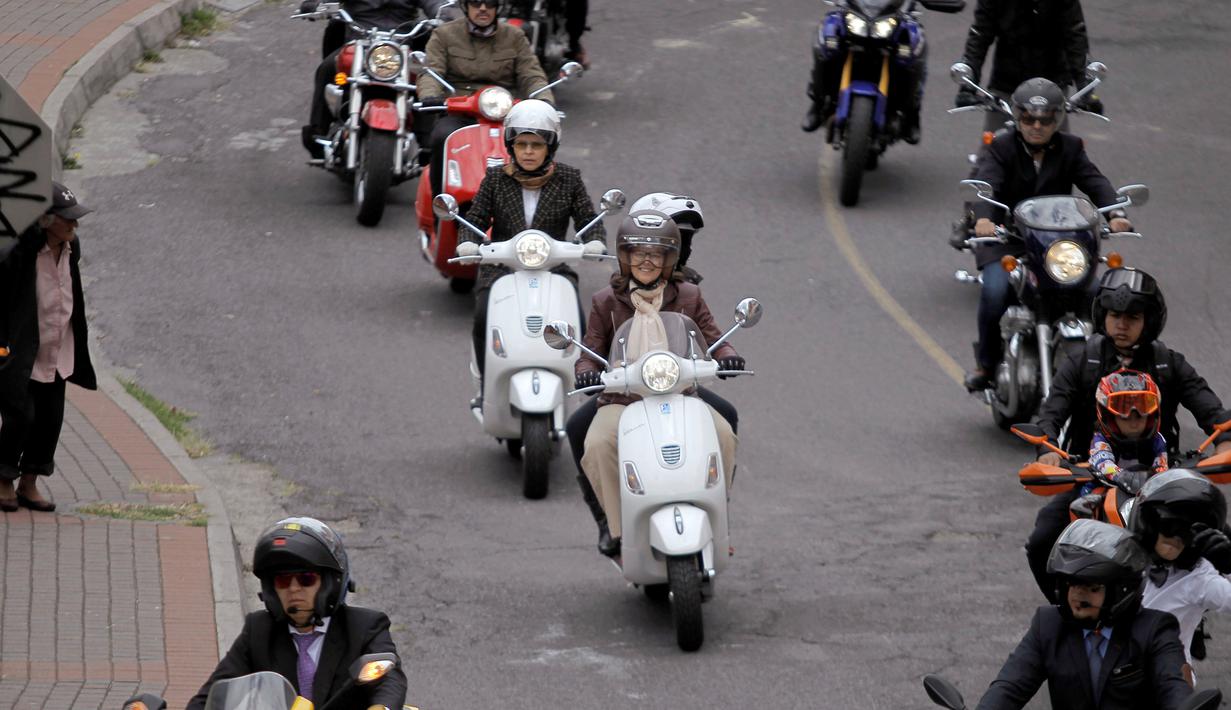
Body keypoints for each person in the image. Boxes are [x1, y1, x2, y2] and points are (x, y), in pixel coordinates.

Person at [1025, 267, 1231, 600]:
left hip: (1164, 478)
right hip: (1090, 475)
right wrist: (1046, 448)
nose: (1121, 324)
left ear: (1149, 320)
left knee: (1221, 537)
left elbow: (1210, 409)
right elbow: (1052, 411)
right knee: (1041, 542)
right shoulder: (1082, 362)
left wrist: (1224, 439)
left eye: (1132, 317)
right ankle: (1067, 611)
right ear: (1102, 315)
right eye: (1114, 315)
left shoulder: (1169, 363)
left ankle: (1201, 606)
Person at [571, 211, 744, 559]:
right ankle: (614, 526)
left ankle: (717, 512)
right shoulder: (605, 301)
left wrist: (728, 354)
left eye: (656, 254)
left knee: (724, 432)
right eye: (638, 252)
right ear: (625, 256)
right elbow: (589, 351)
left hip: (680, 392)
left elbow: (714, 336)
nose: (646, 261)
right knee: (596, 443)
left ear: (669, 259)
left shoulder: (689, 294)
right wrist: (587, 371)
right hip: (623, 397)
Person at [962, 77, 1133, 393]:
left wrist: (1115, 213)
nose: (1036, 126)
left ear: (1057, 119)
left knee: (1097, 293)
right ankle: (986, 365)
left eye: (1045, 119)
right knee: (995, 292)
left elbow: (1095, 182)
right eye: (1028, 118)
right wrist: (985, 219)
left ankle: (1113, 370)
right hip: (1006, 241)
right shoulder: (1001, 147)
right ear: (1017, 117)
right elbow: (987, 184)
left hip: (1055, 245)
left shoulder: (1070, 147)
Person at [455, 99, 604, 409]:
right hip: (502, 268)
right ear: (511, 145)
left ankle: (585, 380)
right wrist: (467, 242)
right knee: (484, 317)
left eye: (536, 144)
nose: (528, 151)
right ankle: (486, 388)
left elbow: (588, 220)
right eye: (521, 144)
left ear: (550, 146)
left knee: (577, 319)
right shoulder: (496, 178)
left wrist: (595, 242)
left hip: (553, 268)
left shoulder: (569, 178)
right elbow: (475, 220)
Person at [188, 517, 407, 710]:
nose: (293, 589)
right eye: (283, 581)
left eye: (306, 579)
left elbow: (389, 680)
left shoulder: (365, 626)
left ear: (330, 584)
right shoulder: (258, 631)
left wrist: (382, 708)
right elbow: (210, 696)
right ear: (271, 591)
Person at [976, 518, 1192, 709]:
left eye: (1092, 587)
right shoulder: (1048, 624)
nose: (1078, 594)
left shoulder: (1156, 629)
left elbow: (1173, 686)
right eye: (1072, 584)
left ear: (1121, 591)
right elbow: (1009, 686)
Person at [0, 183, 97, 513]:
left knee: (49, 420)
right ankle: (3, 480)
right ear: (44, 220)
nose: (74, 224)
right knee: (20, 417)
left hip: (58, 348)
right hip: (21, 352)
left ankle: (29, 483)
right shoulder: (18, 253)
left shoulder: (72, 247)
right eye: (66, 219)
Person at [417, 0, 554, 197]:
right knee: (441, 137)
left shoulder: (514, 36)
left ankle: (532, 204)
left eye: (489, 3)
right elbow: (431, 72)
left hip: (506, 113)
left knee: (538, 143)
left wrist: (544, 99)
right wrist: (431, 96)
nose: (483, 8)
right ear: (465, 6)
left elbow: (531, 74)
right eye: (476, 2)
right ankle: (442, 204)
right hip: (460, 110)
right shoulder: (444, 34)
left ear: (498, 7)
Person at [298, 0, 450, 159]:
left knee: (427, 74)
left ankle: (425, 138)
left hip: (403, 42)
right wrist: (317, 4)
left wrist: (443, 13)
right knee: (327, 69)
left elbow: (434, 2)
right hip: (359, 39)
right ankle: (317, 131)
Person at [1132, 470, 1231, 672]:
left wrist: (1230, 566)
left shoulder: (1200, 579)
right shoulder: (1124, 553)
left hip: (1164, 679)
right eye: (1170, 525)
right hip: (1110, 671)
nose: (1177, 538)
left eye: (1188, 532)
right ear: (1150, 523)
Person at [954, 0, 1098, 132]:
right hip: (1007, 85)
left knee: (1066, 151)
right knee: (992, 151)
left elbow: (1075, 35)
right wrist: (968, 83)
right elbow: (980, 34)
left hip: (1052, 87)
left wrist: (1086, 88)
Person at [800, 17, 927, 143]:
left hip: (895, 19)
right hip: (856, 14)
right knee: (828, 41)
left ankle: (912, 115)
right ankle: (818, 103)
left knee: (912, 50)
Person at [1069, 370, 1168, 520]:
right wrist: (1122, 476)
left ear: (1152, 415)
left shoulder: (1157, 440)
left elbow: (1161, 467)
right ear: (1109, 416)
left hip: (1149, 496)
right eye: (1124, 415)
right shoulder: (1100, 441)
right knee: (1049, 528)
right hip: (1107, 491)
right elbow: (1103, 462)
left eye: (1141, 414)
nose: (1134, 422)